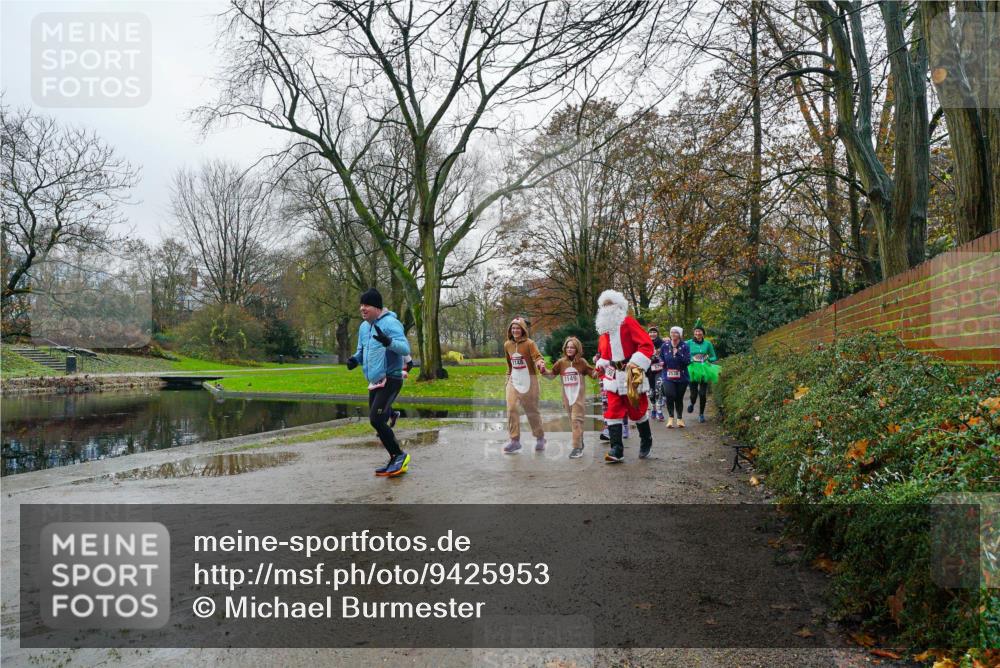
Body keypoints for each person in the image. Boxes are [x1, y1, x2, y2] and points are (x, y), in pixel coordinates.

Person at [345, 288, 412, 477]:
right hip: (375, 380)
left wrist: (388, 341)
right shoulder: (364, 327)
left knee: (376, 418)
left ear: (376, 307)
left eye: (366, 305)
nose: (362, 308)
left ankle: (399, 455)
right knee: (376, 421)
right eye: (361, 305)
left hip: (391, 378)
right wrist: (355, 360)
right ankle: (394, 455)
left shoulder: (391, 323)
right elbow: (361, 350)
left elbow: (404, 347)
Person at [594, 290, 655, 462]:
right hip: (612, 377)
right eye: (604, 305)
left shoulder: (628, 322)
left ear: (619, 306)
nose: (607, 308)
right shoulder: (604, 330)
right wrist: (601, 363)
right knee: (612, 411)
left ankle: (646, 440)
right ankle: (616, 449)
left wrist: (636, 362)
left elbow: (646, 345)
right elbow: (605, 354)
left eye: (610, 304)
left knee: (636, 410)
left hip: (631, 373)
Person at [544, 336, 599, 459]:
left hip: (578, 398)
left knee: (576, 421)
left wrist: (600, 367)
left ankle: (577, 448)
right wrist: (543, 370)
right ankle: (579, 439)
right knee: (573, 422)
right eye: (568, 347)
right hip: (567, 398)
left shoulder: (582, 362)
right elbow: (551, 375)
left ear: (577, 349)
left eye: (572, 347)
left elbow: (593, 374)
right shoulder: (561, 363)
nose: (569, 349)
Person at [503, 317, 547, 454]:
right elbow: (510, 365)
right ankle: (514, 441)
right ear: (510, 330)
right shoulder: (507, 345)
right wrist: (507, 378)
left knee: (531, 411)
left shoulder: (530, 343)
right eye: (513, 328)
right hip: (513, 381)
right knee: (511, 408)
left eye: (518, 328)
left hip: (529, 382)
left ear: (523, 330)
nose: (515, 330)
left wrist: (540, 363)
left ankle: (540, 437)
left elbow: (537, 357)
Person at [686, 319, 719, 423]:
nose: (698, 333)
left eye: (699, 331)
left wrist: (709, 359)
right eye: (696, 331)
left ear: (703, 333)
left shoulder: (708, 344)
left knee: (702, 393)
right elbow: (684, 355)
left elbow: (714, 357)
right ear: (694, 333)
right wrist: (691, 359)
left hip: (705, 369)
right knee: (693, 394)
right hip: (693, 369)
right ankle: (692, 402)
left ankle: (701, 414)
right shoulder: (688, 343)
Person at [659, 326, 691, 429]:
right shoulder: (665, 345)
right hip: (667, 376)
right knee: (670, 395)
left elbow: (687, 361)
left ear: (680, 335)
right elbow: (661, 357)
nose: (673, 334)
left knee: (678, 398)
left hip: (682, 376)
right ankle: (670, 418)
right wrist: (661, 361)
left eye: (676, 333)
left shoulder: (685, 346)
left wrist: (679, 354)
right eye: (672, 332)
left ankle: (680, 419)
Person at [646, 326, 665, 421]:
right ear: (648, 334)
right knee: (651, 393)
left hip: (659, 370)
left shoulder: (663, 344)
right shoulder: (644, 343)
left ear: (657, 333)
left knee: (659, 389)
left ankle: (659, 410)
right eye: (651, 332)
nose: (652, 334)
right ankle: (653, 408)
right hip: (648, 371)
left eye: (654, 332)